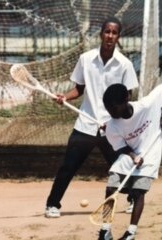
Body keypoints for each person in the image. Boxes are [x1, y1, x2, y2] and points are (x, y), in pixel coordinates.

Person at [45, 17, 139, 218]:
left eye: (114, 33)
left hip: (111, 126)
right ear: (101, 34)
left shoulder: (124, 64)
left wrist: (115, 119)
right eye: (107, 32)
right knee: (68, 166)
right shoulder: (86, 59)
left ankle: (132, 198)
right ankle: (52, 205)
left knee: (122, 164)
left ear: (118, 37)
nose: (110, 36)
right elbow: (79, 88)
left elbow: (127, 97)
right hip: (86, 124)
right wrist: (65, 97)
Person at [98, 83, 162, 240]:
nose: (110, 112)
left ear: (126, 99)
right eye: (108, 109)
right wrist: (133, 156)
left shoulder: (146, 105)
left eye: (114, 108)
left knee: (138, 192)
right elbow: (121, 148)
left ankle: (131, 232)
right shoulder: (112, 126)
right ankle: (105, 230)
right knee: (110, 189)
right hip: (129, 155)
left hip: (150, 153)